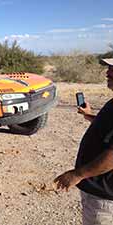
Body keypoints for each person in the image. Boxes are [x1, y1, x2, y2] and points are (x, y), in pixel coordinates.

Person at [54, 58, 113, 224]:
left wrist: (78, 174)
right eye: (108, 68)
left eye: (112, 69)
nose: (107, 73)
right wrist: (88, 115)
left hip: (104, 197)